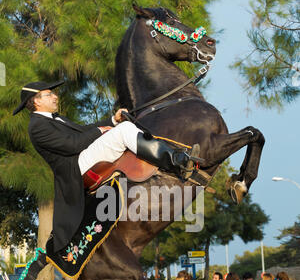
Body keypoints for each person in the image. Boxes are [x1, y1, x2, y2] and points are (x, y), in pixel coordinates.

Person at [13, 81, 201, 254]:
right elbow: (72, 144)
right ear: (36, 101)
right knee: (125, 131)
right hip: (75, 167)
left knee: (123, 126)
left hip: (82, 157)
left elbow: (83, 131)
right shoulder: (37, 126)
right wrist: (101, 131)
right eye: (48, 94)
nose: (55, 96)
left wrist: (112, 121)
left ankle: (166, 160)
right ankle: (177, 161)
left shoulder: (53, 119)